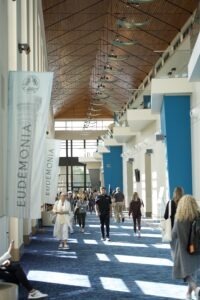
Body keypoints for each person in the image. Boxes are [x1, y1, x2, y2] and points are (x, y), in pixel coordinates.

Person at [171, 195, 200, 300]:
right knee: (193, 271)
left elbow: (173, 235)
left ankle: (195, 288)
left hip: (183, 250)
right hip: (195, 248)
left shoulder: (179, 219)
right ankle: (189, 293)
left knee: (184, 272)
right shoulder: (198, 217)